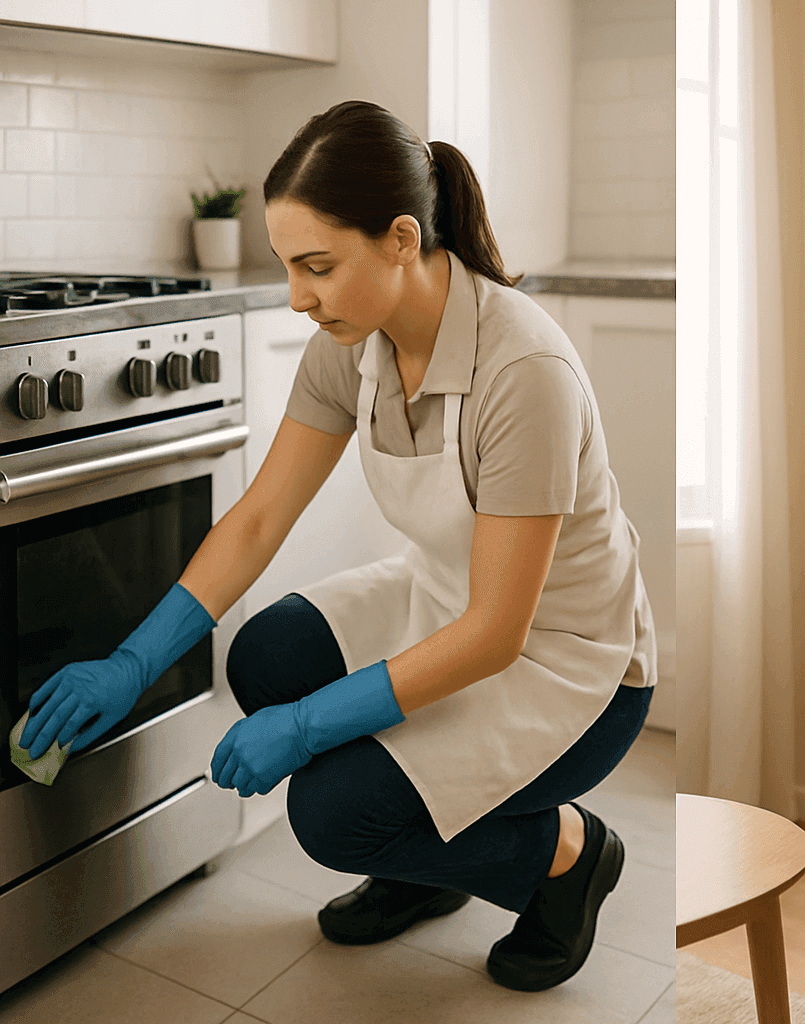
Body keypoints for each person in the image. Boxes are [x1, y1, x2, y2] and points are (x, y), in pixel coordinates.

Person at [17, 99, 656, 993]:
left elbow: (499, 634)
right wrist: (131, 662)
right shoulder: (352, 342)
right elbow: (257, 520)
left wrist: (308, 726)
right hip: (442, 598)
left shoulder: (524, 373)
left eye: (317, 266)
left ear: (402, 238)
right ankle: (421, 872)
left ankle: (566, 856)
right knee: (267, 656)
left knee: (330, 814)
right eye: (288, 267)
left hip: (567, 663)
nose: (297, 296)